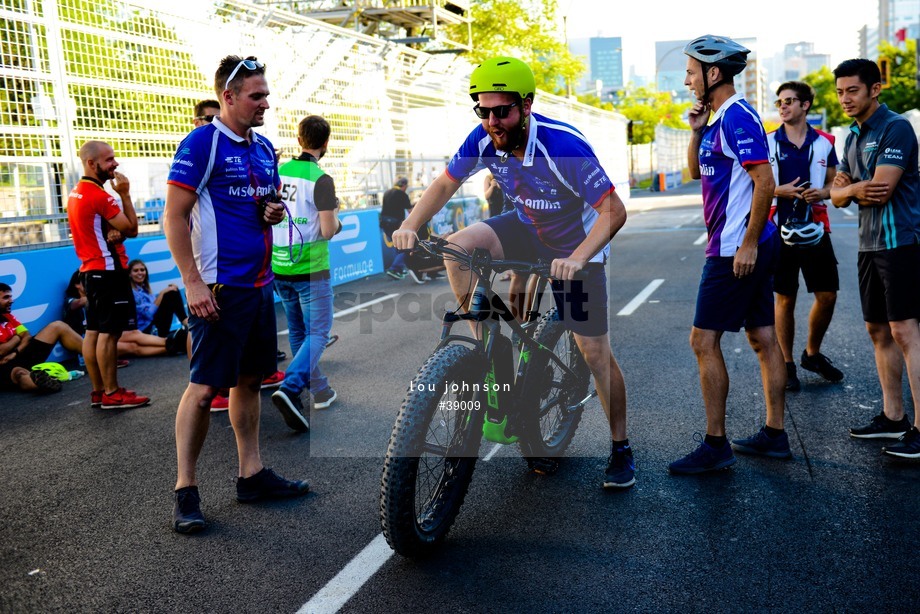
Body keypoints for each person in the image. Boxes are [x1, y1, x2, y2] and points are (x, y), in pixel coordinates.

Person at [392, 56, 636, 489]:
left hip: (574, 246)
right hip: (527, 227)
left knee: (595, 353)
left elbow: (613, 211)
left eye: (501, 111)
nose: (491, 121)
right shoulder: (485, 136)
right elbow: (446, 183)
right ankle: (485, 352)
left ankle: (621, 448)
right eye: (483, 111)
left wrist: (578, 257)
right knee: (457, 248)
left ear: (526, 105)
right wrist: (411, 223)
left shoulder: (563, 146)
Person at [164, 55, 309, 534]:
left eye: (266, 93)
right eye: (256, 95)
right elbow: (174, 216)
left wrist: (268, 212)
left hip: (259, 286)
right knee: (204, 390)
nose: (265, 102)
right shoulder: (202, 143)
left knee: (249, 382)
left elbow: (258, 205)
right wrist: (192, 280)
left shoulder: (264, 146)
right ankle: (186, 490)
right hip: (218, 289)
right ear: (228, 97)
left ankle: (252, 474)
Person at [668, 35, 788, 475]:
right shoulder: (720, 120)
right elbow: (693, 172)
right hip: (742, 242)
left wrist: (749, 244)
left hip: (734, 248)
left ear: (713, 73)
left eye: (691, 71)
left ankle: (716, 444)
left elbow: (765, 182)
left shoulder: (737, 117)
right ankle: (774, 434)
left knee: (703, 341)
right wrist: (696, 129)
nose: (686, 80)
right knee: (762, 337)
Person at [831, 58, 920, 459]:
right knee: (878, 331)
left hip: (899, 241)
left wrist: (850, 189)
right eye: (839, 91)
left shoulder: (895, 126)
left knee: (905, 331)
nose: (845, 98)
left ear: (874, 89)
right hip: (869, 244)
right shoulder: (851, 138)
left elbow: (881, 189)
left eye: (852, 90)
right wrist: (849, 191)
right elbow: (835, 195)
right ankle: (893, 417)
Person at [767, 81, 843, 391]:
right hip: (778, 230)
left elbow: (835, 185)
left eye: (789, 101)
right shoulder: (767, 141)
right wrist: (776, 190)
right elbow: (751, 185)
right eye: (779, 102)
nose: (783, 106)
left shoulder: (825, 141)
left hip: (815, 228)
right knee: (785, 298)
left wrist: (822, 192)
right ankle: (786, 364)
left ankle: (812, 353)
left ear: (805, 105)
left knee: (827, 295)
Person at [269, 115, 341, 432]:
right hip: (311, 269)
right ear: (325, 143)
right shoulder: (321, 179)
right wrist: (336, 222)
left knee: (298, 332)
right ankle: (290, 387)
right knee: (318, 333)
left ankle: (321, 390)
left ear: (299, 140)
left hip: (279, 266)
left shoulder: (278, 173)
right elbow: (327, 230)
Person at [67, 140, 151, 410]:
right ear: (91, 164)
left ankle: (99, 391)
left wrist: (112, 232)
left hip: (91, 271)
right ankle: (112, 393)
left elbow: (106, 228)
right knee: (110, 334)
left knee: (93, 331)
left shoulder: (76, 192)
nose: (115, 164)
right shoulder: (100, 195)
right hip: (107, 272)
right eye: (109, 160)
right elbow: (132, 229)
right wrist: (125, 194)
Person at [64, 269, 180, 359]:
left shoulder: (97, 301)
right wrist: (100, 294)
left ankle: (174, 345)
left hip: (102, 337)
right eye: (87, 281)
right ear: (77, 285)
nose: (91, 284)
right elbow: (76, 304)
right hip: (87, 342)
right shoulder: (72, 300)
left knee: (132, 334)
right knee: (132, 347)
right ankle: (175, 343)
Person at [0, 283, 85, 394]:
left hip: (19, 353)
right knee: (19, 372)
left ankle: (100, 357)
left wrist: (15, 351)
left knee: (57, 326)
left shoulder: (8, 316)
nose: (11, 300)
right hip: (4, 366)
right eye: (6, 297)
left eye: (11, 296)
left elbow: (26, 335)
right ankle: (40, 383)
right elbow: (1, 351)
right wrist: (17, 337)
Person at [128, 258, 188, 337]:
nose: (140, 273)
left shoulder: (144, 289)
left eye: (142, 270)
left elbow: (155, 307)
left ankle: (185, 322)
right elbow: (149, 314)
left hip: (154, 324)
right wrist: (162, 293)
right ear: (129, 274)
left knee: (173, 292)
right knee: (170, 294)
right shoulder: (132, 293)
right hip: (145, 330)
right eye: (136, 271)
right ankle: (184, 321)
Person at [382, 177, 419, 282]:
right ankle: (395, 268)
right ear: (404, 186)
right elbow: (411, 211)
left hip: (385, 223)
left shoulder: (387, 192)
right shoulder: (402, 194)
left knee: (397, 245)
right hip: (395, 223)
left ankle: (399, 269)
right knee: (406, 246)